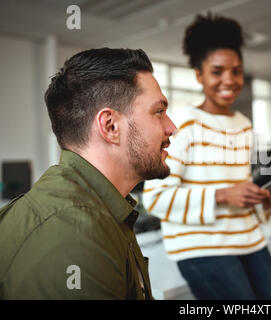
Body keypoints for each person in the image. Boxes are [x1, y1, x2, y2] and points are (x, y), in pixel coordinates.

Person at [0, 48, 176, 299]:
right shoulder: (75, 236)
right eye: (159, 112)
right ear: (110, 126)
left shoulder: (98, 209)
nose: (172, 127)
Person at [142, 13, 271, 300]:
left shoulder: (245, 125)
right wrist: (222, 195)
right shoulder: (184, 125)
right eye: (217, 71)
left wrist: (266, 201)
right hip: (202, 247)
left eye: (236, 71)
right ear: (199, 74)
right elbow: (155, 199)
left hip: (250, 239)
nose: (229, 80)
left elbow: (241, 196)